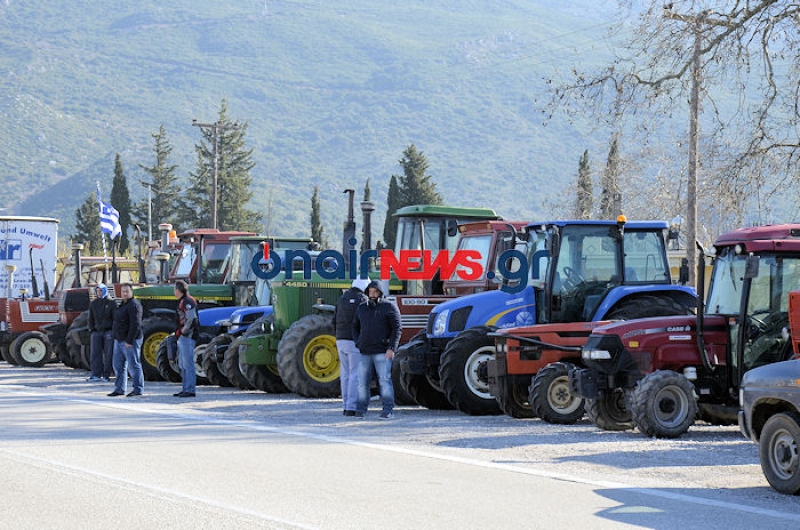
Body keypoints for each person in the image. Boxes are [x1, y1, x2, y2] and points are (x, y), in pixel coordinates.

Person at [352, 280, 401, 419]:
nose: (372, 294)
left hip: (382, 352)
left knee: (384, 381)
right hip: (364, 352)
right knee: (362, 382)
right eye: (370, 292)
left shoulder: (389, 307)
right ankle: (361, 409)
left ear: (380, 293)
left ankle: (388, 410)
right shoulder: (362, 308)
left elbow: (397, 329)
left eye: (375, 292)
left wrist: (391, 348)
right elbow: (354, 326)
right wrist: (358, 342)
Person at [333, 277, 370, 416]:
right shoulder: (363, 300)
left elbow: (334, 319)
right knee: (356, 374)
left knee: (345, 373)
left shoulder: (342, 299)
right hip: (355, 342)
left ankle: (346, 405)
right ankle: (352, 407)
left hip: (340, 340)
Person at [108, 283, 144, 397]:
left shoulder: (134, 305)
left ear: (131, 292)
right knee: (118, 366)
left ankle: (138, 389)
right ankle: (119, 388)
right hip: (118, 340)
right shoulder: (122, 305)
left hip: (130, 341)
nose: (124, 293)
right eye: (123, 291)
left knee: (133, 366)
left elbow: (136, 324)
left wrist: (129, 340)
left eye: (127, 291)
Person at [173, 280, 199, 398]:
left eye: (174, 289)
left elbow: (191, 319)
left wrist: (183, 332)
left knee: (188, 365)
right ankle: (185, 388)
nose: (174, 291)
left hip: (187, 337)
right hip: (183, 336)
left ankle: (190, 389)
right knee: (183, 365)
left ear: (178, 290)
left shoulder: (187, 301)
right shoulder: (183, 301)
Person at [87, 283, 116, 382]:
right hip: (96, 332)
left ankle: (106, 375)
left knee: (108, 354)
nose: (99, 293)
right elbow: (90, 318)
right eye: (97, 291)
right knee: (95, 354)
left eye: (101, 291)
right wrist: (91, 330)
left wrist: (113, 330)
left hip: (108, 332)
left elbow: (115, 318)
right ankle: (96, 374)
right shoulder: (93, 303)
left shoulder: (111, 303)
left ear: (105, 291)